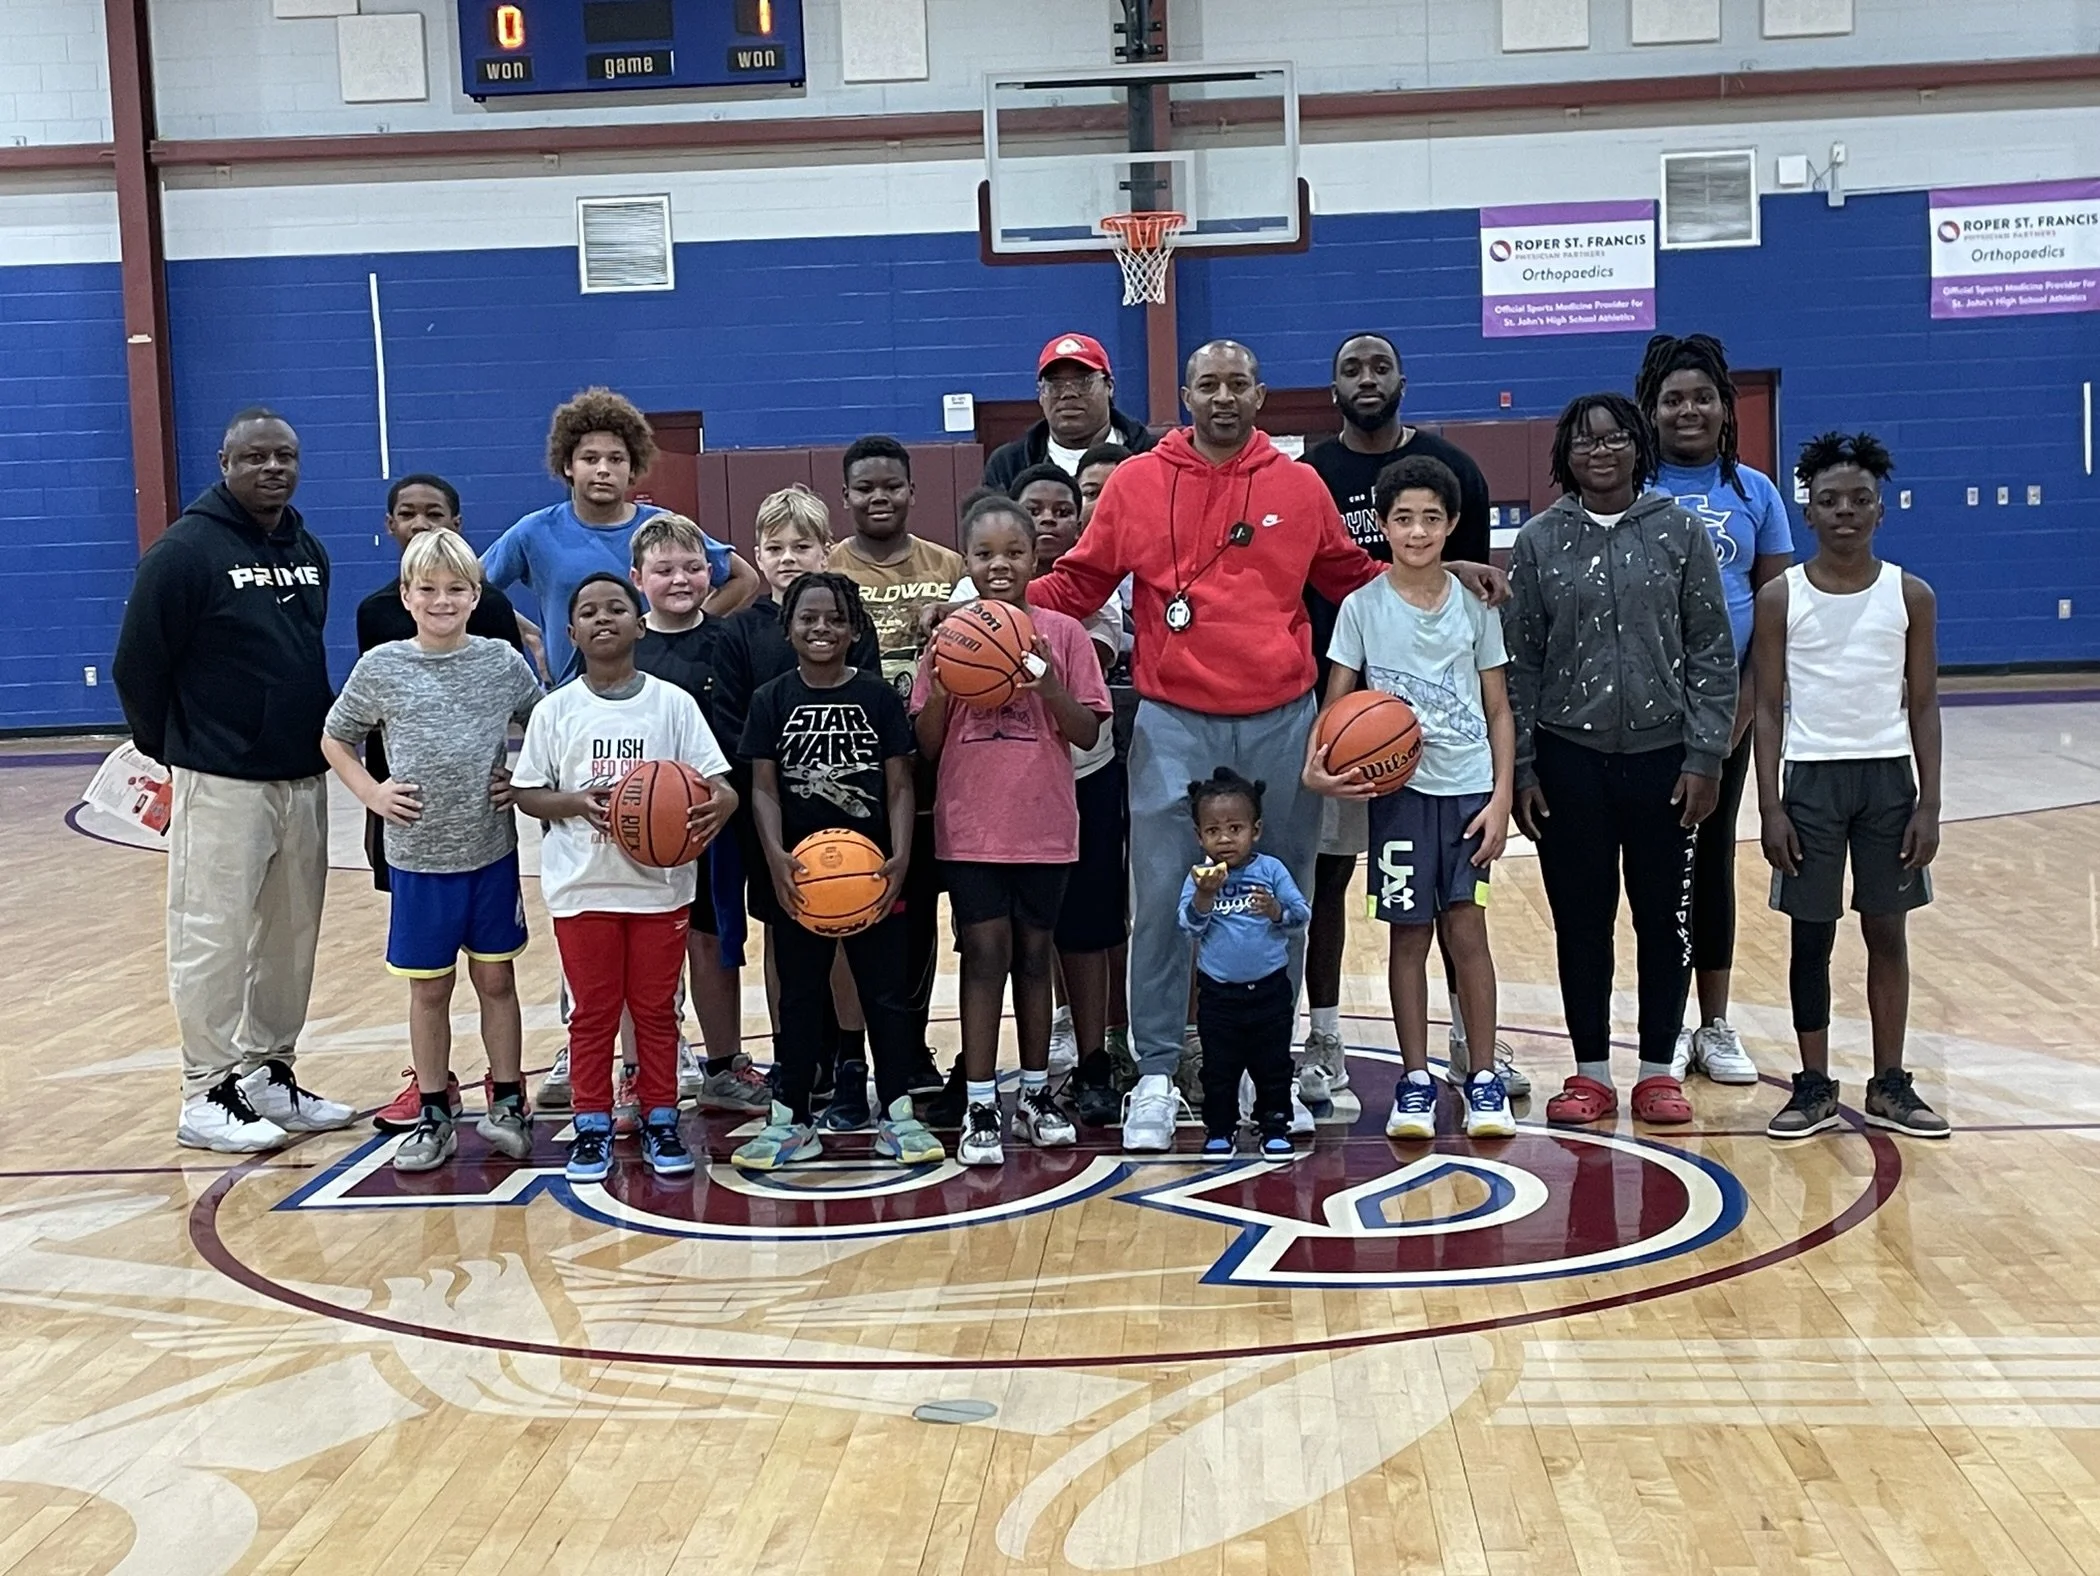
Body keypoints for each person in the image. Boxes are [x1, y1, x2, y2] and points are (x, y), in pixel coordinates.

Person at [1031, 340, 1382, 1152]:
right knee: (1160, 900)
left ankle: (1270, 1071)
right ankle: (1156, 1072)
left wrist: (1443, 577)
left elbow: (1350, 575)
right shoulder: (1135, 482)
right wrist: (992, 600)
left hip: (1283, 716)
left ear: (1262, 394)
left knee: (1276, 897)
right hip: (1174, 719)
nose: (1222, 398)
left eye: (1238, 384)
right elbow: (1081, 581)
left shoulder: (1299, 486)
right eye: (1207, 385)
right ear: (1184, 393)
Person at [112, 407, 356, 1153]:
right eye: (255, 457)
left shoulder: (306, 547)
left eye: (284, 455)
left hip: (301, 774)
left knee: (290, 938)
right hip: (221, 778)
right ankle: (203, 1089)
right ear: (224, 462)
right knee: (211, 936)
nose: (272, 468)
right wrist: (178, 748)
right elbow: (138, 664)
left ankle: (266, 1073)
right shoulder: (183, 552)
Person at [1505, 393, 1736, 1128]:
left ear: (1639, 446)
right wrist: (1524, 766)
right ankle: (1591, 1073)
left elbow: (1711, 648)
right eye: (1583, 440)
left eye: (1613, 439)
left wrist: (1706, 754)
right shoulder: (1541, 541)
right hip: (1569, 760)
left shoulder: (1679, 531)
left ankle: (1658, 1069)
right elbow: (1522, 663)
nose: (1599, 451)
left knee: (1663, 919)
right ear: (1564, 455)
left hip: (1665, 759)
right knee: (1582, 919)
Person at [1300, 332, 1516, 1105]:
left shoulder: (1469, 593)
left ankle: (1477, 1060)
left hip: (1462, 788)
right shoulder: (1351, 589)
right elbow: (1331, 676)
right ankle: (1378, 1059)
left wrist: (1502, 794)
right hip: (1382, 777)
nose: (1417, 530)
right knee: (1382, 921)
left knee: (1466, 926)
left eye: (1431, 519)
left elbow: (1496, 697)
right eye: (1403, 520)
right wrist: (1322, 756)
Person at [320, 528, 544, 1172]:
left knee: (496, 978)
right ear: (406, 596)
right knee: (428, 990)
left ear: (476, 595)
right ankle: (435, 1110)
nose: (442, 600)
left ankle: (506, 1101)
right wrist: (372, 792)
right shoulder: (382, 667)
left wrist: (522, 779)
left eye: (456, 589)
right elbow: (337, 738)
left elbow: (547, 725)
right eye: (428, 590)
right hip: (417, 858)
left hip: (490, 852)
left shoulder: (502, 661)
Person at [510, 574, 738, 1183]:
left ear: (640, 624)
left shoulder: (672, 703)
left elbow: (720, 784)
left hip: (659, 887)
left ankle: (660, 1115)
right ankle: (591, 1123)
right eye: (589, 611)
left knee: (657, 1010)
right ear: (571, 631)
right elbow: (528, 793)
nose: (603, 618)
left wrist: (720, 805)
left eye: (617, 608)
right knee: (592, 1012)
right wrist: (578, 803)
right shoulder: (556, 710)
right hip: (583, 888)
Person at [1757, 433, 1946, 1140]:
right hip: (1809, 782)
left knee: (1886, 931)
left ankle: (1890, 1081)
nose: (1845, 512)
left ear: (1881, 510)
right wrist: (1770, 804)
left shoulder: (1911, 595)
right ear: (1808, 511)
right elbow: (1769, 707)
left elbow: (1923, 704)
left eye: (1859, 500)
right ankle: (1812, 1084)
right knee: (1812, 937)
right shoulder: (1783, 596)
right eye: (1830, 501)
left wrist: (1929, 802)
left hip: (1887, 779)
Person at [913, 496, 1110, 1164]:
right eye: (985, 555)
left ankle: (1033, 1093)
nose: (1000, 565)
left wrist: (1049, 686)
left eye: (1013, 553)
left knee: (1035, 955)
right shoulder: (948, 640)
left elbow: (1087, 731)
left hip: (1045, 825)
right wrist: (942, 688)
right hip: (970, 826)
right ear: (966, 562)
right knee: (985, 952)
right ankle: (977, 1101)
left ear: (1036, 557)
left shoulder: (1065, 633)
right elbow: (929, 746)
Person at [733, 572, 945, 1171]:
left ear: (855, 629)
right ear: (789, 627)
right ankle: (791, 1118)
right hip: (801, 879)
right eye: (808, 618)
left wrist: (901, 856)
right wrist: (774, 855)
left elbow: (901, 784)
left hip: (873, 874)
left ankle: (897, 1113)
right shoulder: (771, 698)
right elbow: (764, 789)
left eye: (834, 619)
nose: (820, 628)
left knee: (885, 995)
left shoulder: (878, 696)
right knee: (800, 998)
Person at [1635, 333, 1796, 1087]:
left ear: (1725, 408)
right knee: (1650, 873)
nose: (1688, 410)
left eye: (1702, 397)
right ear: (1652, 410)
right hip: (1636, 718)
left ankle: (1715, 1023)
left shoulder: (1756, 493)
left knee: (1710, 869)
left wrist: (1737, 719)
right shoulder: (1630, 487)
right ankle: (1660, 1024)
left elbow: (1775, 615)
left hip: (1723, 718)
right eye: (1673, 399)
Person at [713, 487, 884, 1112]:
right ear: (757, 555)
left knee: (843, 931)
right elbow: (730, 723)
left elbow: (866, 708)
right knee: (783, 938)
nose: (789, 559)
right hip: (772, 819)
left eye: (802, 546)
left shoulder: (849, 621)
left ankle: (847, 1056)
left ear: (825, 551)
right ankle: (794, 1054)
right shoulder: (739, 633)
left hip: (845, 814)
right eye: (776, 548)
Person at [828, 435, 965, 1097]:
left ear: (913, 491)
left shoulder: (952, 565)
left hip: (941, 771)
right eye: (865, 488)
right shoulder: (825, 570)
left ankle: (910, 1055)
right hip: (855, 779)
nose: (878, 497)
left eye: (891, 486)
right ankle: (849, 1056)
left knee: (920, 926)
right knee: (861, 921)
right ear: (845, 496)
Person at [629, 511, 772, 1116]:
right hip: (635, 828)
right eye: (664, 570)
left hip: (715, 821)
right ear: (639, 578)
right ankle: (642, 1071)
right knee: (643, 950)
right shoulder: (620, 641)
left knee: (713, 942)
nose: (681, 580)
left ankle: (720, 1062)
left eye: (693, 567)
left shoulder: (729, 641)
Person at [481, 387, 757, 683]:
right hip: (571, 694)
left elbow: (745, 579)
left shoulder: (662, 527)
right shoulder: (534, 531)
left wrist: (690, 630)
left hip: (657, 689)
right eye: (590, 459)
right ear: (567, 466)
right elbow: (470, 586)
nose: (603, 470)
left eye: (615, 459)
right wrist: (531, 636)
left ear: (632, 468)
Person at [1006, 463, 1129, 1110]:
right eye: (1037, 510)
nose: (1051, 519)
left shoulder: (1094, 599)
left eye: (1062, 509)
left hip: (1086, 774)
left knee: (1094, 920)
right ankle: (1050, 1033)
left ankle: (1102, 1043)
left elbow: (1089, 680)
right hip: (1010, 786)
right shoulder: (975, 606)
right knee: (1028, 924)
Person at [1178, 768, 1312, 1157]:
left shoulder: (1271, 871)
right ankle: (1220, 1129)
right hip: (1219, 995)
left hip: (1270, 991)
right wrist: (1204, 896)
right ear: (1198, 836)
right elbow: (1187, 926)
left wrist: (1275, 911)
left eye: (1234, 828)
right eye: (1213, 831)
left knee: (1273, 1067)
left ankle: (1274, 1125)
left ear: (1256, 830)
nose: (1224, 839)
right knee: (1218, 1069)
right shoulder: (1200, 878)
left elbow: (1301, 914)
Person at [981, 332, 1155, 491]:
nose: (1068, 393)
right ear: (1041, 395)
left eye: (1083, 381)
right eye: (1055, 384)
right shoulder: (1008, 465)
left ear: (1109, 387)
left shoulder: (1151, 455)